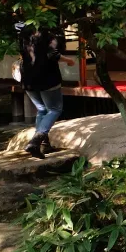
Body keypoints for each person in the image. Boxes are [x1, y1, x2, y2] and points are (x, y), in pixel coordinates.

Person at [18, 27, 75, 159]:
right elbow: (53, 54)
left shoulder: (24, 32)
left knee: (42, 109)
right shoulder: (47, 34)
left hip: (28, 78)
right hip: (47, 78)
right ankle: (36, 141)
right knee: (55, 109)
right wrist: (69, 61)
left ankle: (43, 144)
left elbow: (23, 53)